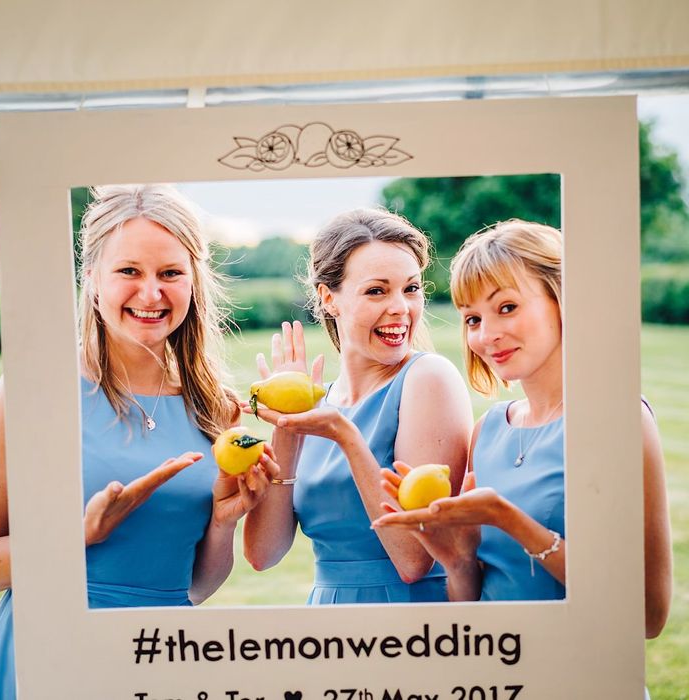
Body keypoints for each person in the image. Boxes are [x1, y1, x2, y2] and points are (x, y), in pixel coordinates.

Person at [0, 184, 278, 699]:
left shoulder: (217, 407)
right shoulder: (37, 387)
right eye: (129, 271)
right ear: (92, 279)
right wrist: (76, 535)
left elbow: (192, 588)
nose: (151, 294)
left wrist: (222, 520)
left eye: (170, 273)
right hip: (48, 657)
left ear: (195, 282)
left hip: (160, 661)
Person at [372, 220, 673, 634]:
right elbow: (471, 608)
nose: (487, 335)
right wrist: (457, 560)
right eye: (473, 319)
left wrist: (511, 521)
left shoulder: (619, 422)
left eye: (507, 307)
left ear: (563, 298)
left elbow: (647, 616)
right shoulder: (488, 431)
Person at [243, 208, 474, 603]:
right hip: (328, 623)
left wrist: (345, 436)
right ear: (329, 298)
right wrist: (288, 427)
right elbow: (263, 554)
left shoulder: (428, 379)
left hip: (409, 622)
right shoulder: (324, 405)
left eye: (412, 288)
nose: (401, 307)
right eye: (377, 290)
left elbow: (413, 560)